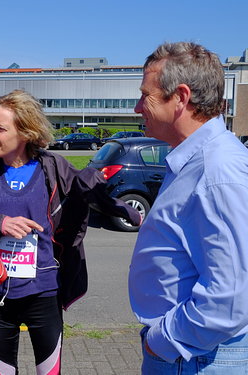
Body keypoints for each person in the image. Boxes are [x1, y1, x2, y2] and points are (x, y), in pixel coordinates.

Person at [0, 89, 141, 374]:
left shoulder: (51, 166)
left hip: (43, 291)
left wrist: (125, 211)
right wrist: (0, 224)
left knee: (49, 371)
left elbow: (86, 189)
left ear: (25, 132)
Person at [128, 41, 248, 374]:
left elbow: (230, 298)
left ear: (180, 98)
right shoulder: (197, 161)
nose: (138, 108)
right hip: (190, 352)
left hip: (194, 356)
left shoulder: (218, 171)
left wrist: (162, 341)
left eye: (145, 96)